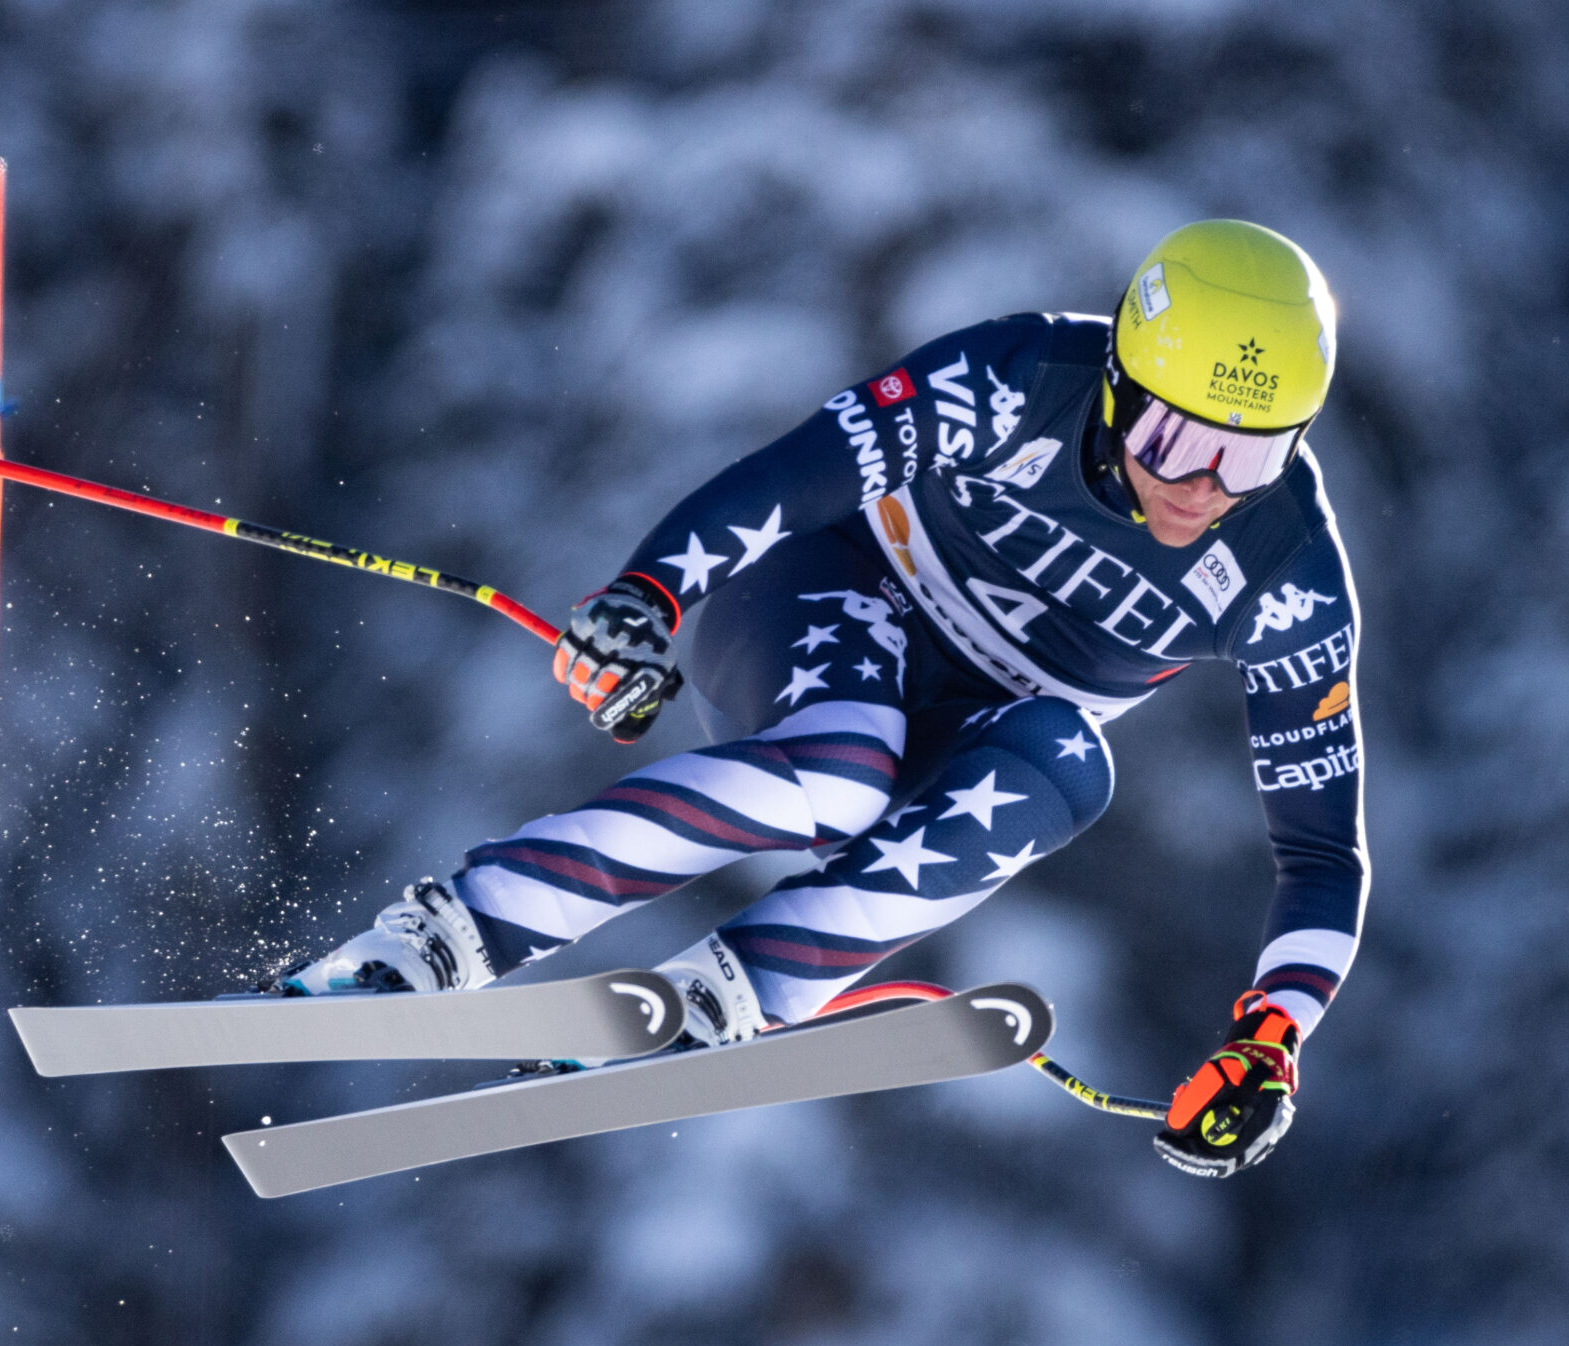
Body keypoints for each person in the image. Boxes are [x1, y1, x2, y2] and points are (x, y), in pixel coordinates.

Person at [280, 219, 1367, 1178]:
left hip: (969, 740)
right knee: (841, 774)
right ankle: (456, 932)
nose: (1201, 488)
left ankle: (739, 989)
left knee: (1072, 761)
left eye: (1251, 457)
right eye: (1175, 440)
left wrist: (1270, 1039)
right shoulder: (1017, 378)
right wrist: (649, 594)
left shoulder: (1289, 578)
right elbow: (795, 473)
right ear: (1121, 382)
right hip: (828, 608)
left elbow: (1321, 854)